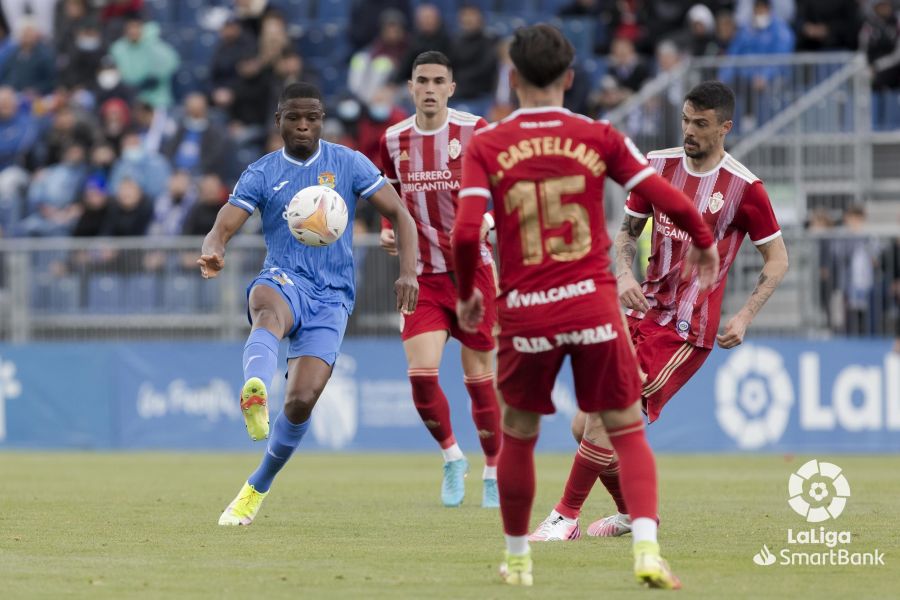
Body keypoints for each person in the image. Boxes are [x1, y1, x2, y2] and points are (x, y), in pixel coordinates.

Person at [452, 24, 719, 588]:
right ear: (571, 78)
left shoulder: (486, 144)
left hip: (526, 309)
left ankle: (519, 557)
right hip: (592, 304)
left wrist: (468, 293)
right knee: (624, 426)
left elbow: (465, 233)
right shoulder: (599, 135)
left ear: (512, 77)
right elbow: (669, 197)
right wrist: (702, 237)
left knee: (520, 434)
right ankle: (646, 549)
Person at [528, 81, 789, 543]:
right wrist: (624, 276)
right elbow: (626, 233)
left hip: (686, 329)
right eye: (686, 120)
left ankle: (564, 516)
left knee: (609, 411)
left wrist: (745, 315)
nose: (690, 131)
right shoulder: (656, 168)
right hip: (642, 311)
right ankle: (633, 514)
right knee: (580, 425)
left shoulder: (744, 189)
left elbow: (778, 259)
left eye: (701, 124)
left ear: (725, 127)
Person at [204, 82, 418, 526]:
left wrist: (409, 272)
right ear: (278, 120)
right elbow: (223, 225)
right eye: (294, 118)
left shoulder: (348, 163)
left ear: (322, 120)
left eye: (313, 118)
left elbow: (400, 214)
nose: (304, 126)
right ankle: (255, 391)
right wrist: (214, 248)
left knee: (302, 401)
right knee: (266, 307)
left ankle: (255, 488)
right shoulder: (262, 172)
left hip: (333, 296)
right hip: (284, 278)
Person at [378, 51, 500, 508]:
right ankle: (452, 457)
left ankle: (492, 469)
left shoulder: (476, 131)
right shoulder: (393, 140)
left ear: (451, 87)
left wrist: (486, 220)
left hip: (473, 275)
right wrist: (390, 231)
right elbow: (391, 201)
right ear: (410, 87)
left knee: (479, 380)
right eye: (421, 80)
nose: (429, 88)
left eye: (438, 81)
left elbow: (503, 191)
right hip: (422, 276)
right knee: (422, 376)